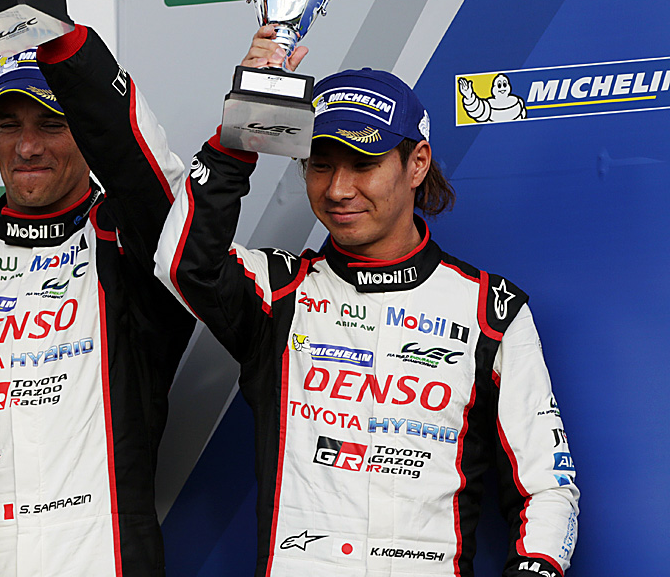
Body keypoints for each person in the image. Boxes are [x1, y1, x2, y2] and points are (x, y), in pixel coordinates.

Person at [150, 54, 578, 575]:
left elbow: (548, 489)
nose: (337, 189)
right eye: (320, 163)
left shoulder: (492, 309)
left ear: (416, 163)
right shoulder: (279, 292)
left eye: (364, 164)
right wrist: (243, 128)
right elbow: (182, 262)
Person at [0, 0, 200, 577]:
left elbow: (147, 173)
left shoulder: (128, 241)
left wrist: (57, 30)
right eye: (8, 122)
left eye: (52, 122)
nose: (28, 145)